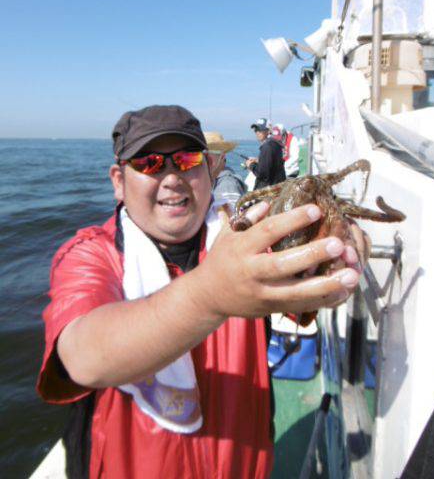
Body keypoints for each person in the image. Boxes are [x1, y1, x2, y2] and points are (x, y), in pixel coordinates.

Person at [38, 104, 365, 479]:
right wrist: (211, 294)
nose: (172, 176)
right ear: (118, 180)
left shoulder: (247, 234)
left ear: (209, 168)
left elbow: (316, 276)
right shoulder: (91, 254)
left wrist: (343, 245)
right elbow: (83, 358)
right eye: (148, 163)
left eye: (186, 158)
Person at [204, 131, 247, 210]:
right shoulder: (212, 180)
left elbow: (230, 218)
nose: (203, 159)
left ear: (222, 156)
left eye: (207, 154)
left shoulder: (227, 183)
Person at [245, 118, 285, 189]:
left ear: (268, 131)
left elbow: (262, 174)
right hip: (277, 188)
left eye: (260, 130)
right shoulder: (275, 143)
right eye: (256, 130)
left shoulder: (267, 146)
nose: (257, 132)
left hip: (268, 192)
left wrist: (250, 165)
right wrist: (259, 160)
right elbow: (273, 163)